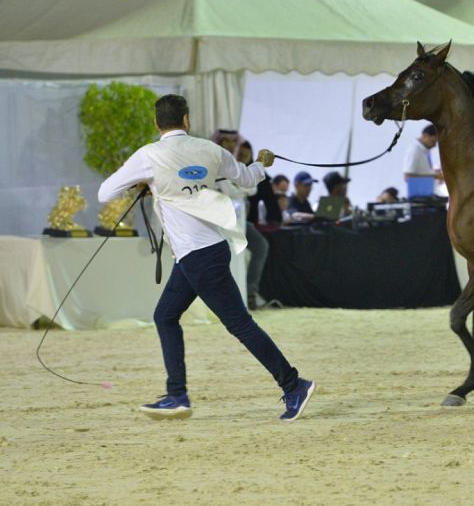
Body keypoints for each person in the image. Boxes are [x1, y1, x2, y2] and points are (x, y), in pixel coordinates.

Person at [98, 94, 314, 421]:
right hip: (206, 251)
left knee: (239, 324)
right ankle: (177, 394)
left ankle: (293, 383)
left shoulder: (149, 155)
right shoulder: (210, 150)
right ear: (186, 120)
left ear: (157, 123)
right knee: (165, 316)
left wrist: (144, 179)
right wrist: (262, 164)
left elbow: (105, 193)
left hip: (197, 256)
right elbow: (246, 177)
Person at [234, 140, 274, 310]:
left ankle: (250, 292)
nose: (243, 158)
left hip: (241, 221)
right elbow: (238, 190)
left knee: (261, 246)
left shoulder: (244, 171)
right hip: (224, 222)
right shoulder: (228, 165)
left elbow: (252, 189)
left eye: (246, 155)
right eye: (241, 154)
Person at [403, 124, 442, 197]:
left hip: (428, 194)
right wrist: (434, 175)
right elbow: (407, 176)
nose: (435, 145)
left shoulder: (424, 151)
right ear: (425, 136)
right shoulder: (414, 151)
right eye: (433, 141)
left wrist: (433, 173)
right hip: (420, 197)